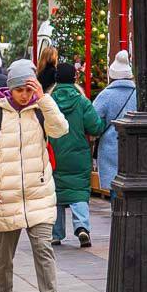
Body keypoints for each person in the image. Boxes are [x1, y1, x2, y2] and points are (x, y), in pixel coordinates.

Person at [0, 58, 70, 292]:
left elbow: (61, 129)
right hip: (5, 197)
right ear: (10, 89)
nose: (25, 95)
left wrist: (44, 99)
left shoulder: (40, 110)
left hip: (38, 193)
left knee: (44, 250)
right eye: (20, 90)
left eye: (29, 89)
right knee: (4, 257)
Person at [48, 62, 104, 247]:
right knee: (79, 192)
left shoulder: (48, 101)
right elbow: (95, 126)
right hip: (78, 156)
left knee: (55, 193)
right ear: (74, 78)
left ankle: (56, 234)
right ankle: (82, 228)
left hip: (54, 155)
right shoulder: (82, 102)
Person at [90, 50, 136, 192]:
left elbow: (93, 120)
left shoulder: (105, 95)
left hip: (111, 148)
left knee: (115, 188)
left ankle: (116, 213)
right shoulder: (138, 94)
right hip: (135, 147)